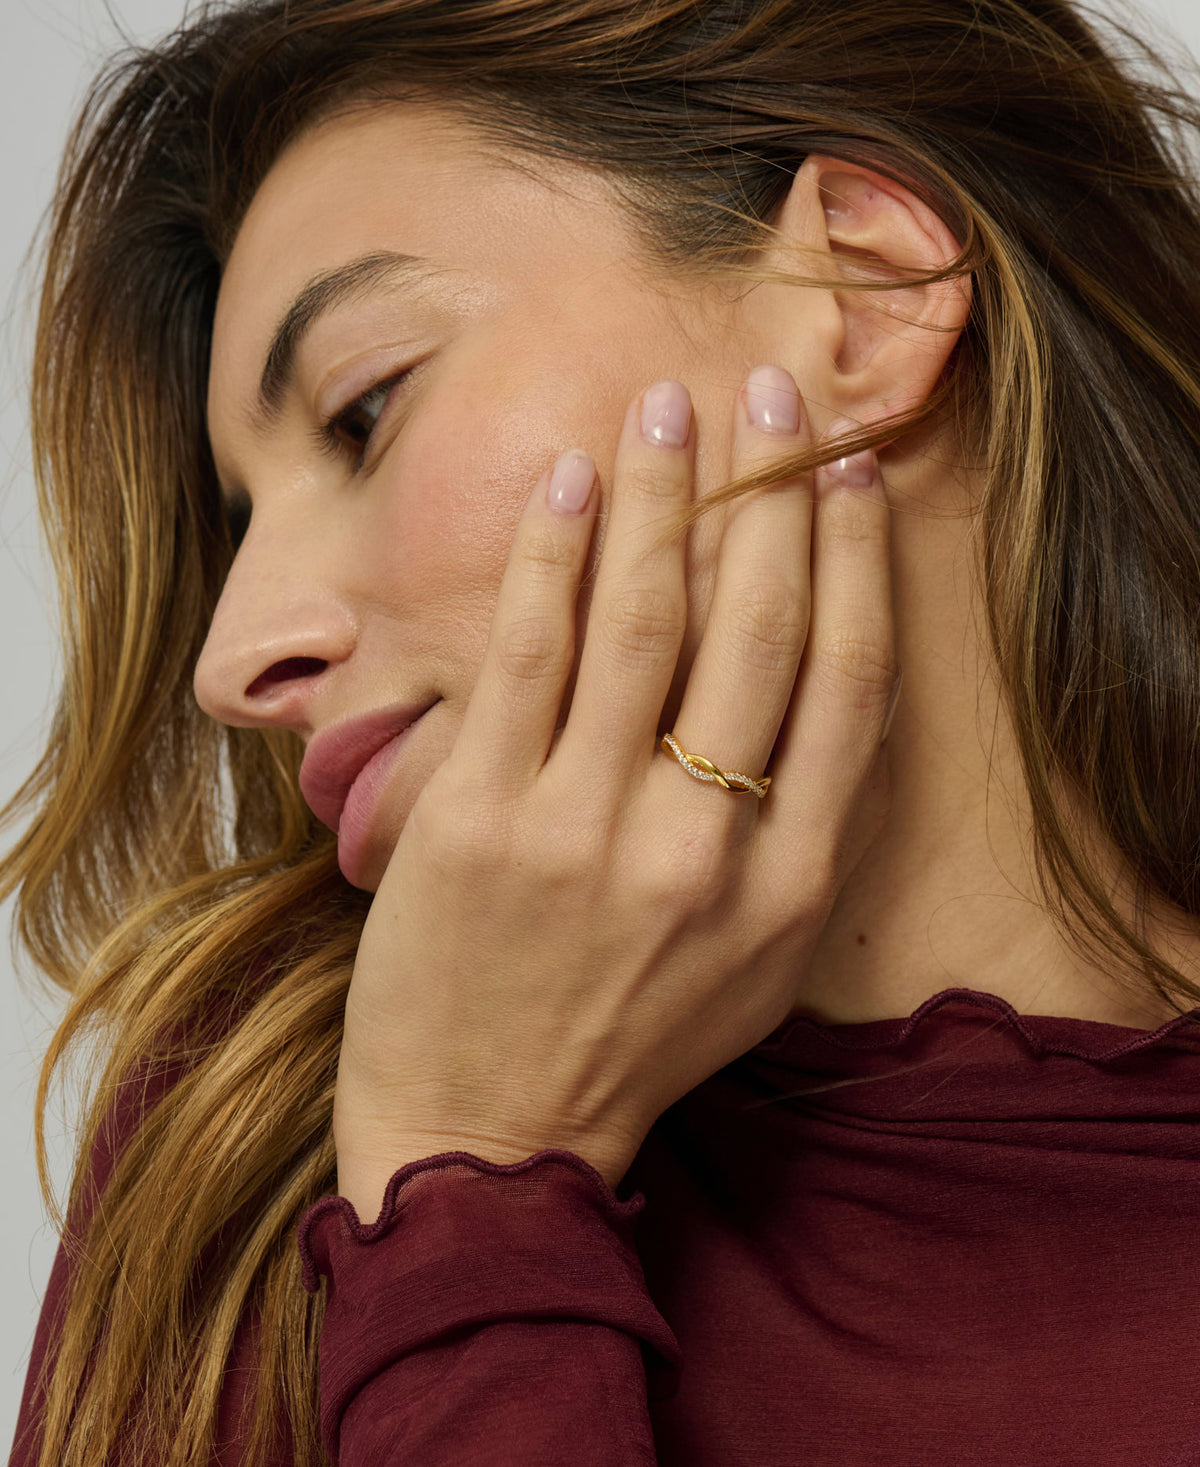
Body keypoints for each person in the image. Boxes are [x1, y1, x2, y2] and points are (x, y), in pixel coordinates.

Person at [7, 0, 1200, 1461]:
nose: (234, 660)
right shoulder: (255, 1143)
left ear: (867, 290)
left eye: (364, 410)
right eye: (243, 526)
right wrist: (474, 1178)